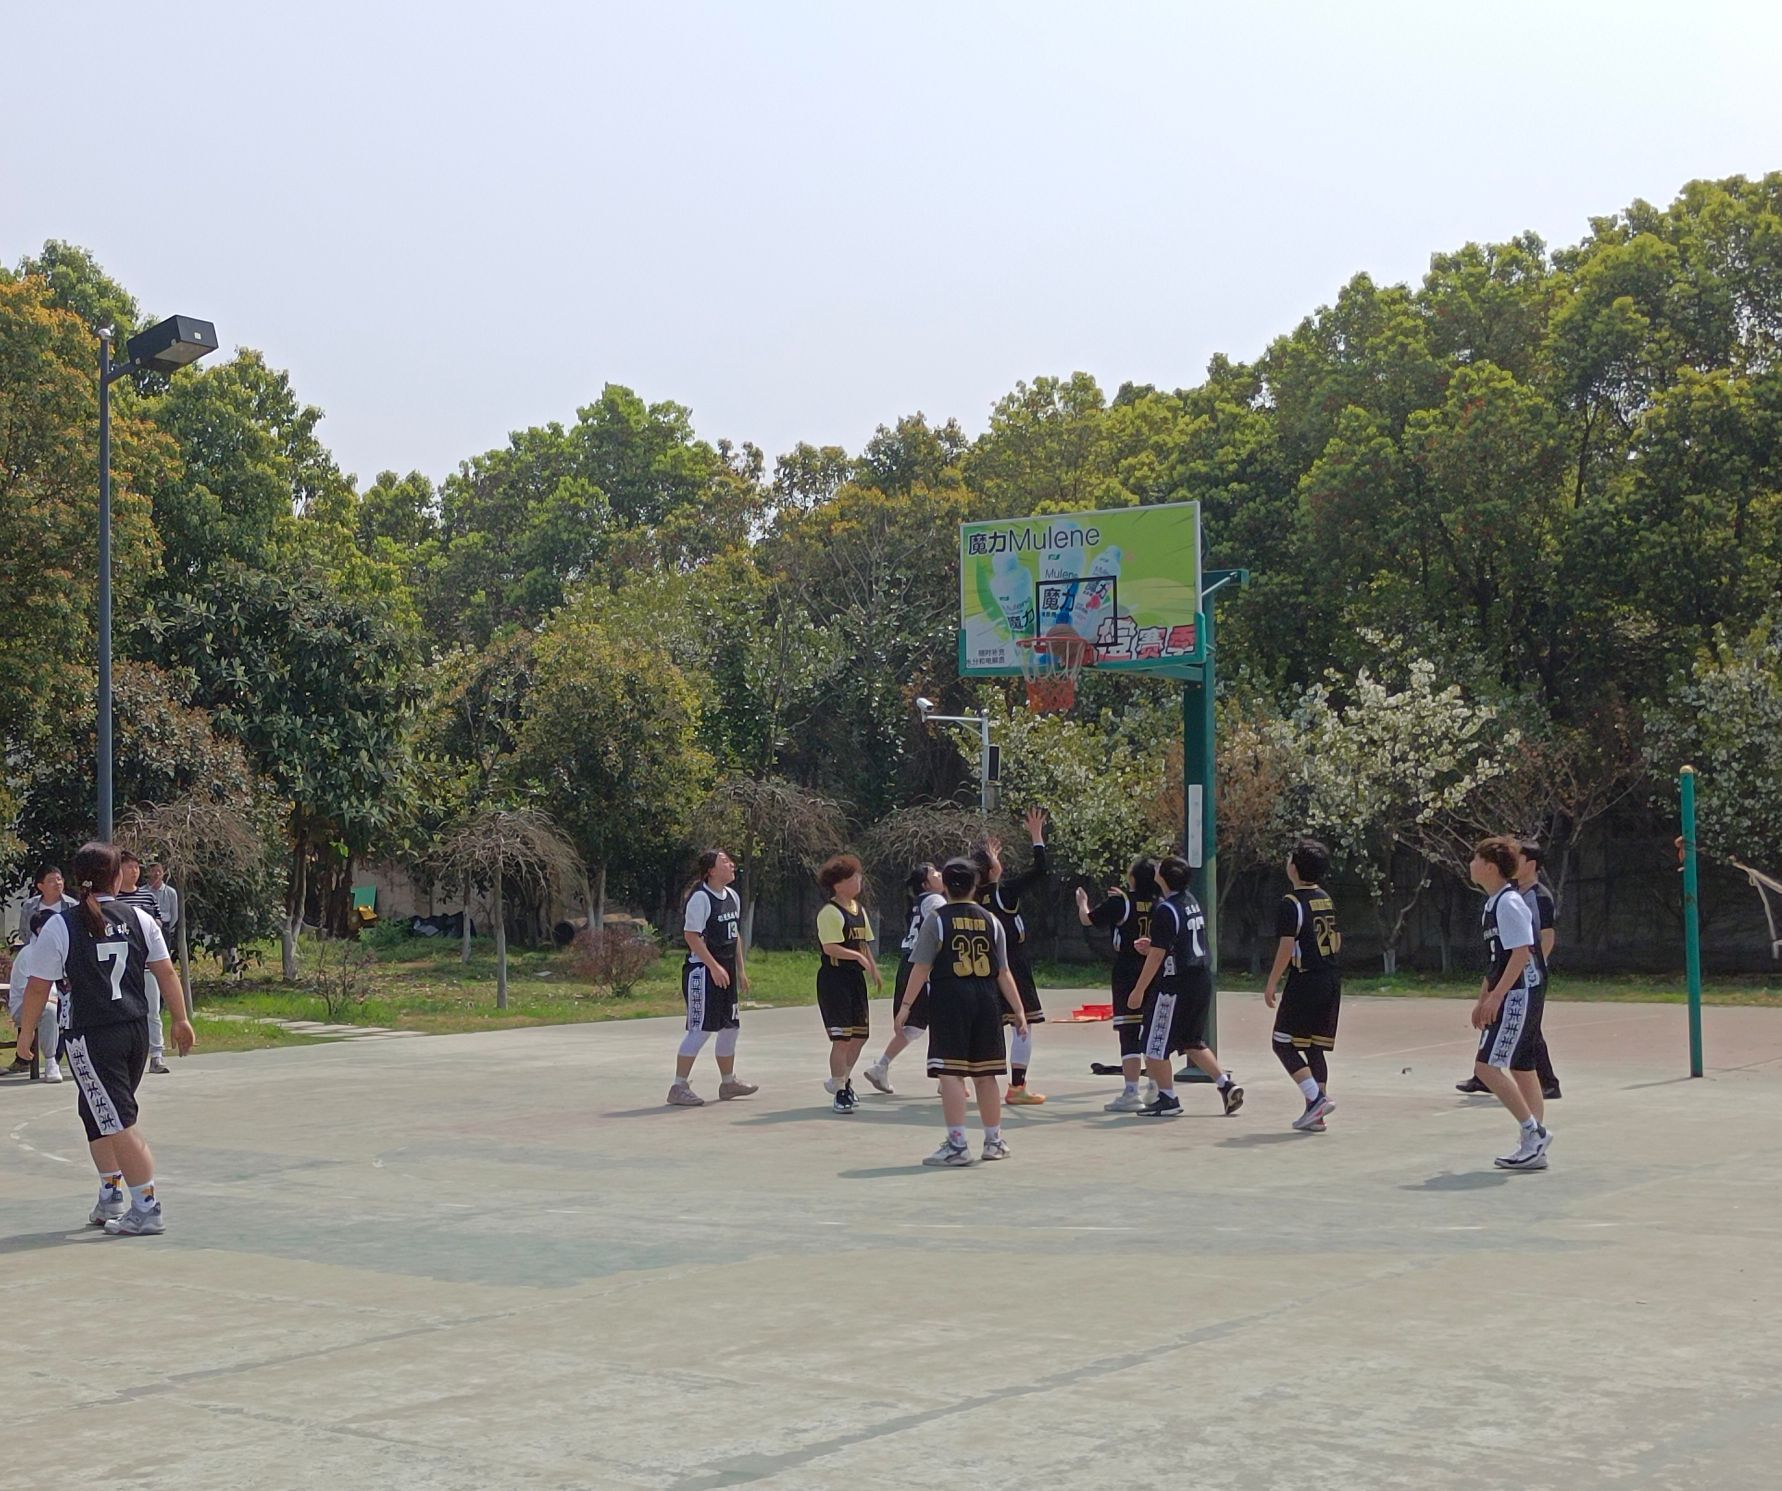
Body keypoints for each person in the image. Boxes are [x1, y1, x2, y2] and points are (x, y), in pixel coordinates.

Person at [13, 841, 195, 1235]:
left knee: (118, 1119)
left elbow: (38, 987)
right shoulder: (140, 918)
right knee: (95, 1111)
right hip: (134, 1030)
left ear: (77, 879)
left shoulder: (62, 925)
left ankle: (146, 1207)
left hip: (93, 1036)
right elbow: (166, 971)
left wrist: (26, 1033)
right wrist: (180, 1019)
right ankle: (111, 1194)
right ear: (116, 877)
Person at [898, 858, 1028, 1166]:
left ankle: (957, 1145)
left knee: (951, 1073)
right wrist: (1019, 1009)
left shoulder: (937, 920)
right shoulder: (991, 921)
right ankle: (994, 1141)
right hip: (987, 999)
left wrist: (905, 1006)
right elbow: (1003, 972)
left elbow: (921, 967)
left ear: (946, 885)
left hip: (950, 998)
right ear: (975, 885)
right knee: (985, 1073)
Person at [1125, 856, 1243, 1118]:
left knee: (1153, 1045)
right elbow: (1176, 942)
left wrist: (1139, 990)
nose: (1155, 868)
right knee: (1192, 1041)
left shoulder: (1165, 909)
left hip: (1175, 986)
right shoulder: (1190, 901)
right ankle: (1226, 1085)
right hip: (1200, 979)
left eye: (1160, 867)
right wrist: (1155, 944)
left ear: (1164, 877)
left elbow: (1158, 956)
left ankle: (1168, 1099)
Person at [1467, 836, 1553, 1171]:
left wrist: (1497, 996)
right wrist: (1482, 999)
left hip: (1520, 992)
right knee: (1522, 1066)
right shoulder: (1494, 904)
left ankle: (1534, 1133)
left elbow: (1520, 954)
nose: (1471, 864)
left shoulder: (1509, 903)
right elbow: (1497, 960)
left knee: (1486, 1067)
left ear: (1490, 867)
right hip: (1515, 990)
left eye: (1476, 859)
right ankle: (1534, 1143)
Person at [1456, 841, 1562, 1101]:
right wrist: (1486, 995)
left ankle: (1544, 1086)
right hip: (1510, 978)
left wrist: (1533, 968)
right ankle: (1489, 1078)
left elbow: (1542, 939)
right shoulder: (1501, 899)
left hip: (1524, 982)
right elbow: (1498, 957)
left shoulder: (1535, 898)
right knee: (1519, 1042)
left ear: (1531, 864)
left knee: (1526, 1039)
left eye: (1520, 857)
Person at [1262, 838, 1342, 1132]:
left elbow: (1286, 947)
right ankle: (1315, 1115)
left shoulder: (1291, 902)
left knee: (1282, 1042)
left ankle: (1316, 1098)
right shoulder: (1325, 898)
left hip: (1306, 979)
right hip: (1330, 977)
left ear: (1293, 868)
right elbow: (1337, 939)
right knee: (1313, 1047)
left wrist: (1272, 982)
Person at [972, 806, 1049, 1105]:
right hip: (1012, 965)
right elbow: (1039, 871)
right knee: (1022, 1025)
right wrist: (1036, 836)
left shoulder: (970, 896)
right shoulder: (1004, 892)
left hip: (981, 965)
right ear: (993, 870)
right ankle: (1017, 1087)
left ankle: (954, 1079)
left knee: (983, 1026)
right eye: (995, 859)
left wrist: (987, 859)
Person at [667, 849, 757, 1107]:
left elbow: (734, 934)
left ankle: (728, 1083)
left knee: (730, 1027)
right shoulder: (700, 898)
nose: (731, 865)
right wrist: (714, 967)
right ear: (711, 871)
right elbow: (691, 936)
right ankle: (678, 1086)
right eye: (724, 861)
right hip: (703, 972)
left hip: (725, 972)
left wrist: (740, 970)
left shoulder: (732, 897)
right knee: (701, 1029)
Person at [1075, 857, 1161, 1112]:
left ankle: (1131, 1091)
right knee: (1151, 1031)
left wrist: (1082, 903)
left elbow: (1087, 919)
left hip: (1128, 971)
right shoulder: (1161, 903)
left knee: (1129, 1030)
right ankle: (1156, 1087)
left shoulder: (1121, 903)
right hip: (1155, 969)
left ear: (1132, 877)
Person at [863, 863, 945, 1095]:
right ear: (926, 884)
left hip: (907, 962)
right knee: (942, 1021)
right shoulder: (936, 901)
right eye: (934, 873)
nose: (940, 874)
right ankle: (947, 1077)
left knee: (915, 1026)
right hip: (923, 966)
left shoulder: (919, 903)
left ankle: (881, 1066)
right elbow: (945, 929)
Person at [815, 854, 881, 1113]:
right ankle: (840, 1091)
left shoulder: (859, 910)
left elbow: (863, 943)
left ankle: (841, 1079)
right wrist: (856, 957)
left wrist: (872, 968)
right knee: (841, 1038)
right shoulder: (830, 912)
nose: (859, 880)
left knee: (860, 1036)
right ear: (839, 884)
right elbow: (830, 947)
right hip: (835, 980)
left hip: (855, 980)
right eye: (853, 877)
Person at [7, 865, 76, 1078]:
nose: (58, 883)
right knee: (49, 1009)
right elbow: (35, 988)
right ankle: (51, 1060)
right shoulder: (30, 953)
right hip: (34, 1000)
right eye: (52, 880)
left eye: (60, 879)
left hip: (63, 981)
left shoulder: (72, 905)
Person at [115, 851, 172, 1075]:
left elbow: (159, 921)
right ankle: (124, 1055)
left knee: (152, 1010)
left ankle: (157, 1054)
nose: (134, 871)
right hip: (122, 966)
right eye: (128, 867)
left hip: (147, 964)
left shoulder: (148, 896)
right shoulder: (114, 898)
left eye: (136, 867)